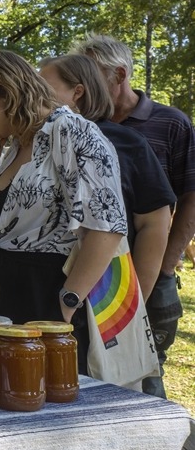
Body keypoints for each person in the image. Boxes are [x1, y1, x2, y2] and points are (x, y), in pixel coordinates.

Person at [0, 50, 127, 375]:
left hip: (52, 294)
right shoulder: (13, 147)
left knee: (49, 402)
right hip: (11, 298)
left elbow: (107, 226)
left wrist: (66, 304)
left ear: (5, 91)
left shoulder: (72, 132)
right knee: (9, 396)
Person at [71, 35, 195, 398]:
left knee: (144, 371)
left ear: (119, 74)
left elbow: (190, 198)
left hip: (152, 274)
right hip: (99, 276)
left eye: (93, 78)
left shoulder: (171, 123)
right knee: (99, 370)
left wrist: (165, 266)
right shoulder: (85, 125)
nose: (83, 90)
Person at [39, 54, 176, 301]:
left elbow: (154, 223)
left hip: (104, 297)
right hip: (39, 293)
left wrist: (135, 300)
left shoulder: (127, 143)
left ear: (77, 92)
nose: (34, 96)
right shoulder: (37, 141)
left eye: (44, 88)